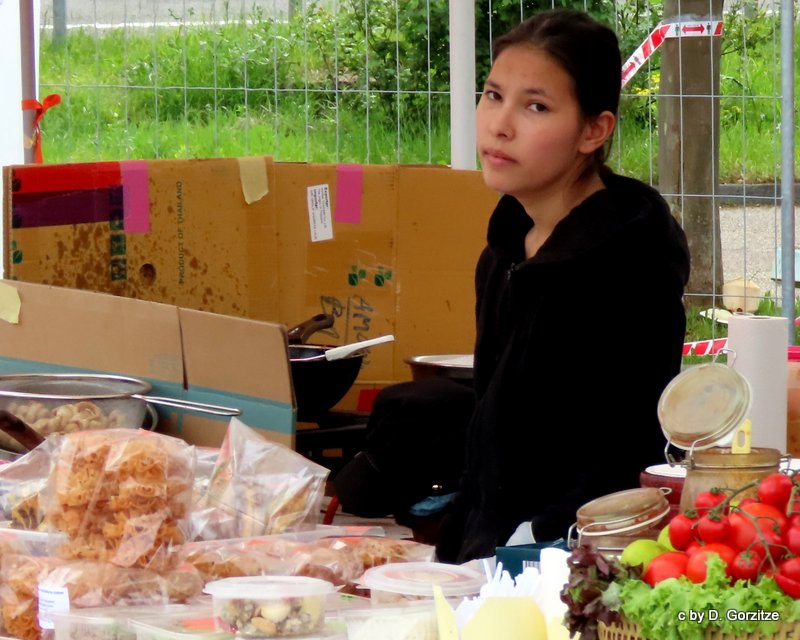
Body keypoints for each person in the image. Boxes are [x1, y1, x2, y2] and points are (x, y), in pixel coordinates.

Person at [434, 8, 691, 563]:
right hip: (486, 555)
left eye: (536, 106)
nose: (499, 125)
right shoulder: (508, 247)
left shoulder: (629, 265)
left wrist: (534, 539)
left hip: (565, 566)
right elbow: (493, 431)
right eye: (492, 94)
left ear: (594, 130)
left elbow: (629, 451)